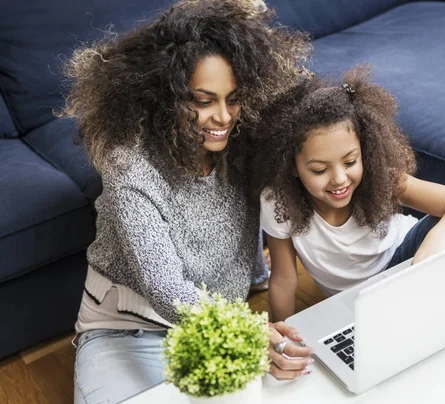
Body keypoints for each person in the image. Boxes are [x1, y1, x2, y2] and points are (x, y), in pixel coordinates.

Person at [61, 1, 314, 402]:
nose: (223, 116)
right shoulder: (129, 163)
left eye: (233, 98)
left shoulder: (245, 142)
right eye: (202, 101)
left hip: (219, 325)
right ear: (163, 97)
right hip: (129, 330)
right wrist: (247, 332)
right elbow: (165, 286)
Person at [251, 66, 445, 323]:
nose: (340, 178)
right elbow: (284, 279)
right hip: (358, 304)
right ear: (292, 167)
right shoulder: (278, 202)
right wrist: (281, 335)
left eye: (350, 162)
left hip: (404, 260)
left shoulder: (382, 178)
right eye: (319, 170)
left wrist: (435, 245)